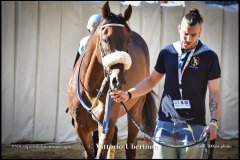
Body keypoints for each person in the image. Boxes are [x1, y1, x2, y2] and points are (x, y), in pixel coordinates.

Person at [110, 8, 221, 159]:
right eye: (185, 34)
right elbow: (151, 81)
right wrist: (128, 94)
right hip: (165, 124)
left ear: (200, 32)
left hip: (194, 127)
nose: (188, 38)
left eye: (193, 35)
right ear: (179, 28)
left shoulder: (209, 56)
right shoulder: (168, 52)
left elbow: (214, 92)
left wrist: (214, 123)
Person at [73, 14, 102, 157]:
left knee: (76, 116)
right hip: (100, 85)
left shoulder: (84, 41)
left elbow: (76, 66)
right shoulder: (104, 41)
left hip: (85, 85)